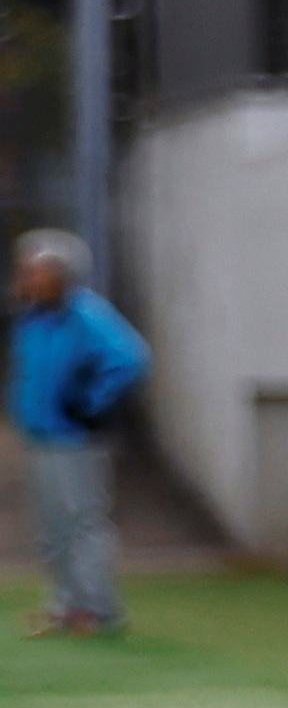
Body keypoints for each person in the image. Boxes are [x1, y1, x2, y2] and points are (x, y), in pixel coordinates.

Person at [13, 229, 146, 637]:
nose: (29, 278)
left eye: (38, 271)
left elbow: (130, 357)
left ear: (61, 273)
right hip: (43, 434)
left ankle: (99, 607)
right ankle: (66, 603)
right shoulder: (33, 321)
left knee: (82, 522)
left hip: (77, 436)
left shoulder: (87, 315)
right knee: (52, 525)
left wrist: (90, 401)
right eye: (27, 271)